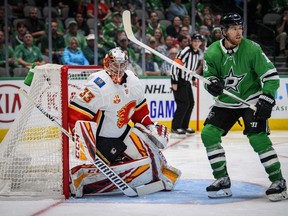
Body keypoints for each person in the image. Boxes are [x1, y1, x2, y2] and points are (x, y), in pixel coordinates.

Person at [68, 47, 181, 197]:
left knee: (150, 151)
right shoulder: (97, 85)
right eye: (115, 65)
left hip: (123, 132)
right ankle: (82, 179)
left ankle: (161, 171)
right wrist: (86, 148)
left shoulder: (133, 80)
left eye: (123, 65)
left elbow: (140, 112)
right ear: (107, 64)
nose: (119, 69)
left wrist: (150, 127)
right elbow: (76, 117)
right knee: (142, 171)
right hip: (101, 140)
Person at [201, 13, 287, 202]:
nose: (239, 32)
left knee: (258, 138)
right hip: (226, 102)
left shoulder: (252, 49)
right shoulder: (212, 52)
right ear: (223, 31)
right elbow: (209, 78)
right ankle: (222, 179)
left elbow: (271, 77)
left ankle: (278, 181)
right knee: (208, 133)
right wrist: (212, 84)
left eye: (240, 28)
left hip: (252, 99)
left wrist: (266, 98)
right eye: (234, 29)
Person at [171, 33, 203, 136]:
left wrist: (193, 78)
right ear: (191, 42)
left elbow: (192, 68)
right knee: (183, 104)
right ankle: (175, 127)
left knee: (190, 103)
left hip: (187, 81)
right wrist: (174, 81)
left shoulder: (197, 53)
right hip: (180, 80)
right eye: (194, 41)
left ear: (200, 43)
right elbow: (175, 66)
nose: (196, 43)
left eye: (198, 41)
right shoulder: (186, 51)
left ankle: (184, 126)